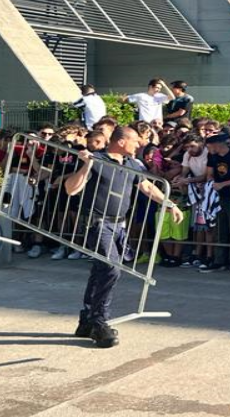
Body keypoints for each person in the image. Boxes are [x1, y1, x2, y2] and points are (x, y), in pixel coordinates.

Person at [63, 126, 184, 348]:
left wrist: (170, 204)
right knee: (111, 268)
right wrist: (86, 165)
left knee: (100, 269)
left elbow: (147, 187)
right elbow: (71, 189)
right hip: (97, 223)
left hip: (119, 225)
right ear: (121, 141)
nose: (139, 145)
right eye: (135, 141)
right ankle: (100, 321)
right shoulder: (96, 159)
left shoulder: (130, 164)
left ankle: (87, 319)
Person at [202, 134, 230, 272]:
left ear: (218, 144)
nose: (208, 149)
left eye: (209, 146)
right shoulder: (212, 156)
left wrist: (223, 184)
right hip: (218, 197)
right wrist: (210, 182)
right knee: (220, 230)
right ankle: (219, 260)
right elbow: (209, 173)